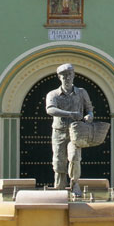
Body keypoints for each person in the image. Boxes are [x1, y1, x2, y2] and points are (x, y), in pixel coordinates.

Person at [46, 63, 93, 196]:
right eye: (64, 75)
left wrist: (89, 116)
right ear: (59, 77)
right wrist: (70, 114)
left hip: (75, 132)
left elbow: (89, 108)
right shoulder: (53, 94)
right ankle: (59, 187)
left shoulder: (82, 92)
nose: (67, 78)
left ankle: (75, 183)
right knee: (59, 160)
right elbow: (50, 109)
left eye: (69, 74)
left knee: (74, 157)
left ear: (73, 75)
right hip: (59, 132)